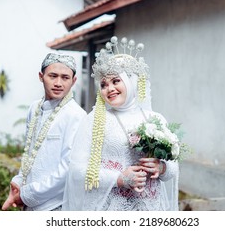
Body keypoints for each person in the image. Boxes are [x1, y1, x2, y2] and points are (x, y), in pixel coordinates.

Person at [63, 36, 179, 211]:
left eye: (116, 81)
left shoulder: (155, 119)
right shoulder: (94, 120)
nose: (109, 89)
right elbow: (77, 170)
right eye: (103, 84)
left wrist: (161, 167)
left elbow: (173, 167)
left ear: (131, 82)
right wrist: (118, 179)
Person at [2, 53, 86, 211]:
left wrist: (26, 194)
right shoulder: (34, 108)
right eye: (53, 76)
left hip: (55, 205)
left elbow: (68, 169)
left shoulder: (76, 115)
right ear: (41, 76)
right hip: (28, 201)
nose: (58, 83)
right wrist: (19, 182)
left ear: (74, 81)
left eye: (65, 78)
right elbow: (29, 152)